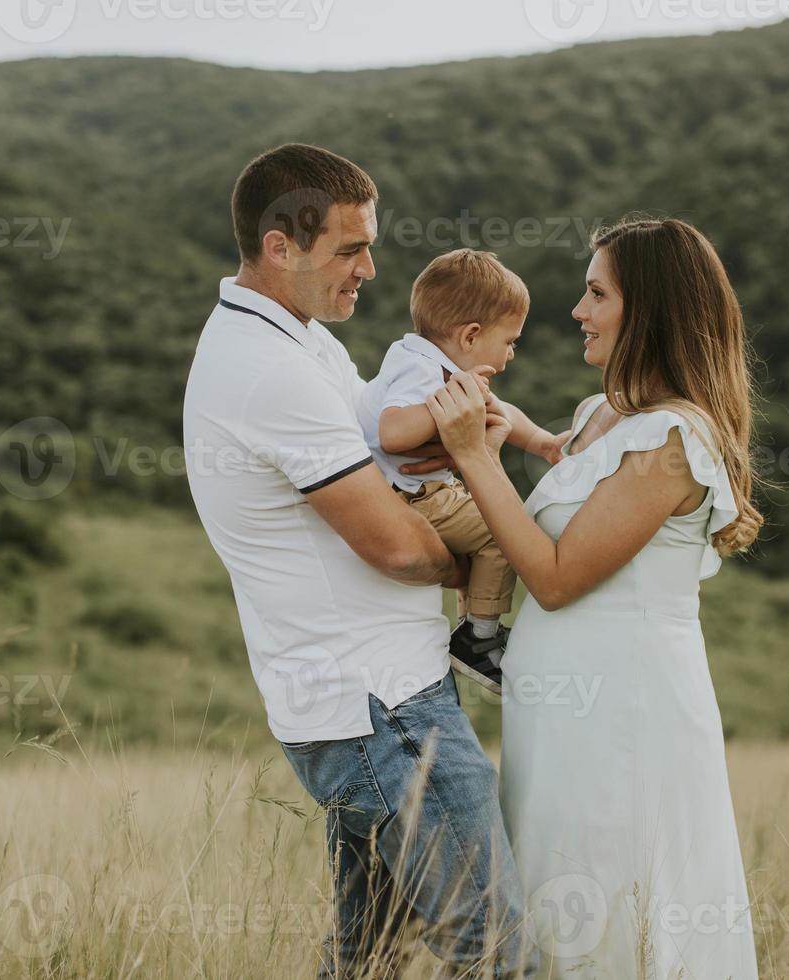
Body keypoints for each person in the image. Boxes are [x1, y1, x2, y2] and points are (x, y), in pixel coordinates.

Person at [182, 143, 539, 978]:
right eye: (349, 249)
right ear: (281, 247)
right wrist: (482, 551)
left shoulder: (306, 344)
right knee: (491, 954)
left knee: (371, 960)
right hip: (382, 711)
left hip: (362, 704)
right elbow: (399, 547)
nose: (371, 270)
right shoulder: (269, 369)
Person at [424, 217, 764, 978]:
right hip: (557, 714)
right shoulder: (599, 416)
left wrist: (475, 456)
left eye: (596, 293)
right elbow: (573, 477)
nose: (577, 310)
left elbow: (554, 574)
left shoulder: (675, 440)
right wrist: (517, 433)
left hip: (625, 718)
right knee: (550, 898)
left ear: (651, 309)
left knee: (612, 899)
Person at [356, 247, 567, 692]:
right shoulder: (424, 372)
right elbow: (393, 432)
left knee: (483, 529)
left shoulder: (426, 361)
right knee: (501, 533)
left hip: (420, 490)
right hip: (413, 496)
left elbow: (498, 410)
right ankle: (478, 635)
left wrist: (543, 442)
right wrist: (446, 415)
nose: (510, 356)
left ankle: (474, 621)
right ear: (470, 336)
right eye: (509, 342)